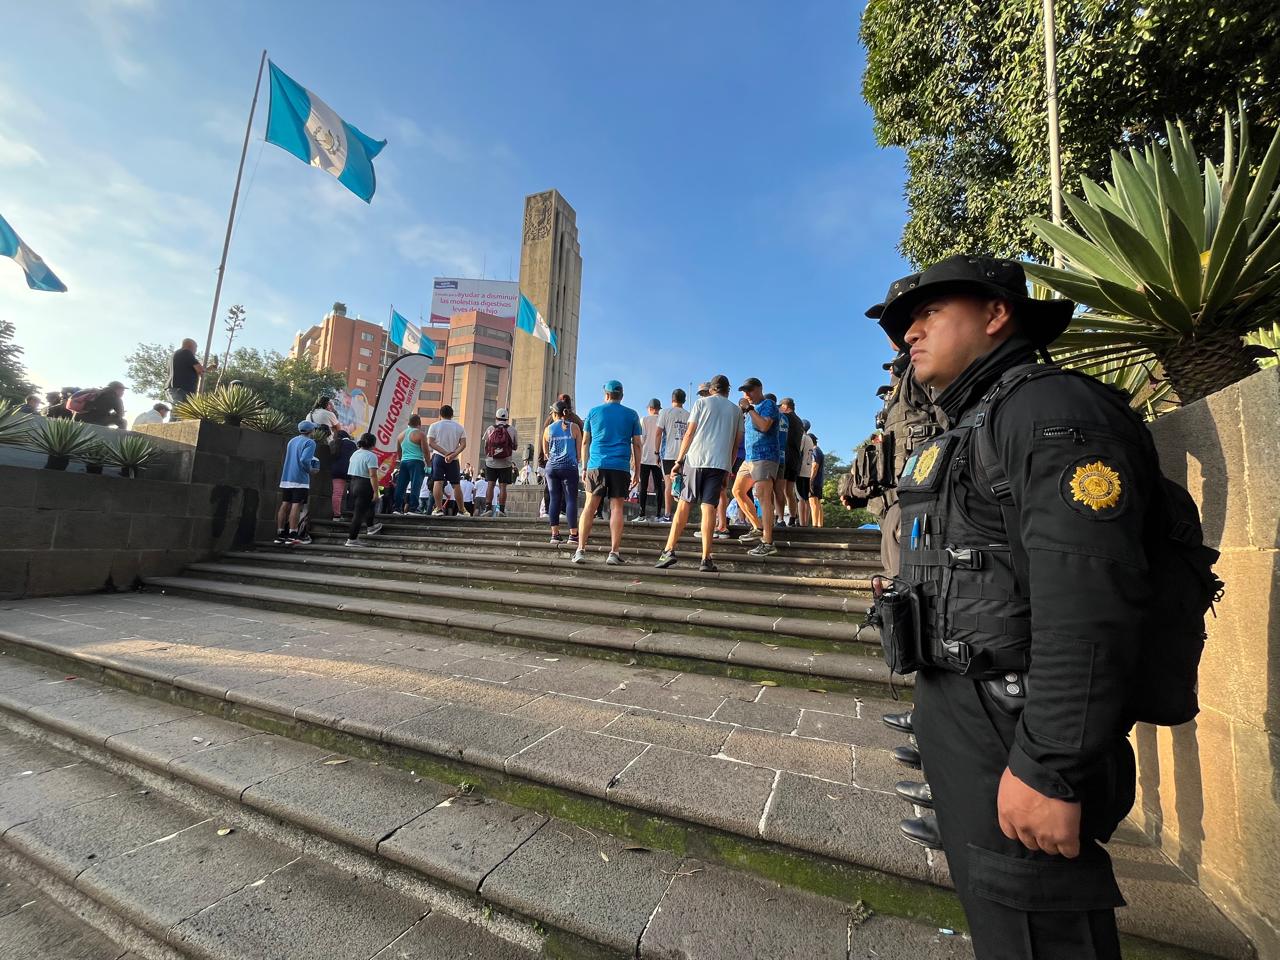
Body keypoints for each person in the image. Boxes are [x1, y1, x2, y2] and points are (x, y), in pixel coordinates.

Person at [874, 254, 1154, 960]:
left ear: (997, 315)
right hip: (970, 711)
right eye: (906, 322)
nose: (909, 333)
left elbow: (1088, 600)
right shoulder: (975, 421)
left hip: (1018, 723)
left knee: (1038, 930)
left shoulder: (1049, 410)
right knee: (1001, 921)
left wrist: (1049, 766)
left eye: (929, 312)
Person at [654, 374, 741, 572]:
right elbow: (735, 445)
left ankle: (669, 550)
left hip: (695, 460)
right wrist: (728, 468)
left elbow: (689, 433)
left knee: (684, 505)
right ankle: (706, 559)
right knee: (708, 508)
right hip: (719, 464)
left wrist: (678, 461)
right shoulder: (736, 411)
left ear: (712, 389)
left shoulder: (701, 404)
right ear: (728, 390)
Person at [573, 380, 642, 565]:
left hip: (597, 465)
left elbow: (585, 441)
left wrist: (584, 467)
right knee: (617, 508)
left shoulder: (593, 412)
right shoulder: (632, 414)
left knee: (590, 506)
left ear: (606, 395)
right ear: (622, 395)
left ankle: (580, 549)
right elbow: (637, 444)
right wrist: (637, 470)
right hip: (620, 466)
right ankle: (614, 552)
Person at [731, 378, 781, 557]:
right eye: (744, 392)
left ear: (759, 389)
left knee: (763, 496)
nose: (747, 395)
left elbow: (764, 426)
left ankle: (768, 542)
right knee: (737, 491)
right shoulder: (748, 411)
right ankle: (758, 527)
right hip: (750, 458)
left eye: (750, 390)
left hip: (765, 456)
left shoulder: (768, 404)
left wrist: (750, 409)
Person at [274, 421, 321, 545]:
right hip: (300, 479)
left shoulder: (292, 441)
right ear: (311, 431)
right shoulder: (310, 442)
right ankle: (293, 534)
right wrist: (310, 470)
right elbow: (305, 459)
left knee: (285, 504)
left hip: (286, 477)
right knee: (297, 505)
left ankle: (280, 534)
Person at [543, 399, 582, 545]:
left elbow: (546, 453)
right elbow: (579, 453)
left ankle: (555, 534)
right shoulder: (575, 427)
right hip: (569, 466)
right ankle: (573, 535)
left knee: (554, 499)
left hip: (552, 467)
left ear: (554, 413)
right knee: (571, 499)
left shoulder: (548, 430)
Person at [343, 432, 384, 546]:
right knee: (359, 513)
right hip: (365, 484)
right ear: (373, 444)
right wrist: (376, 492)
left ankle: (371, 526)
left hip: (353, 483)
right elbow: (373, 475)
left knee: (369, 505)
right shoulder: (371, 456)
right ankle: (352, 539)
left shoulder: (355, 453)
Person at [427, 404, 467, 515]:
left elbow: (430, 442)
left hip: (439, 457)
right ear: (452, 414)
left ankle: (439, 509)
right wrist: (453, 454)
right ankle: (461, 510)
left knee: (438, 482)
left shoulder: (434, 426)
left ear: (440, 414)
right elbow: (463, 444)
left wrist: (445, 453)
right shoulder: (459, 427)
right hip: (453, 459)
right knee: (456, 484)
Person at [656, 388, 690, 521]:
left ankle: (668, 514)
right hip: (684, 455)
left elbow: (658, 433)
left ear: (672, 399)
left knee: (669, 484)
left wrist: (656, 451)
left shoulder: (665, 412)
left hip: (668, 454)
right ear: (684, 400)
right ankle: (681, 515)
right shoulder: (689, 415)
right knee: (682, 485)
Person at [478, 409, 517, 517]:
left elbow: (486, 446)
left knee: (490, 485)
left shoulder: (490, 429)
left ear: (496, 418)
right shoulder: (512, 430)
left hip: (491, 462)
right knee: (503, 487)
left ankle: (488, 509)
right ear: (507, 418)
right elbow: (515, 446)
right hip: (506, 462)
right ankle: (502, 510)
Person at [777, 398, 805, 525]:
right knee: (789, 491)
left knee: (780, 489)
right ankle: (793, 518)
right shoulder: (799, 421)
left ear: (785, 406)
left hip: (784, 456)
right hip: (795, 459)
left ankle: (780, 518)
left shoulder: (784, 417)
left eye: (780, 406)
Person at [392, 414, 428, 515]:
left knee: (401, 486)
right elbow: (426, 451)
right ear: (419, 424)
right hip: (416, 462)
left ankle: (397, 508)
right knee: (415, 485)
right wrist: (429, 465)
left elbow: (399, 452)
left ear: (408, 423)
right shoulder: (420, 434)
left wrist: (403, 459)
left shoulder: (400, 435)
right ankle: (413, 509)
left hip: (404, 462)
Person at [635, 398, 663, 522]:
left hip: (645, 457)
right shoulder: (662, 420)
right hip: (658, 458)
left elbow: (642, 439)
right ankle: (658, 514)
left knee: (644, 486)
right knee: (659, 487)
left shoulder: (644, 420)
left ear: (650, 408)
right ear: (659, 409)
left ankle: (642, 514)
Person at [168, 339, 204, 412]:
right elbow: (200, 370)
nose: (196, 350)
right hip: (181, 389)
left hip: (174, 388)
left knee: (180, 412)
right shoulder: (186, 352)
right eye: (195, 347)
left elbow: (195, 369)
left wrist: (208, 369)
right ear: (190, 346)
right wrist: (203, 370)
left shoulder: (175, 355)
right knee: (180, 413)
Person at [329, 428, 357, 518]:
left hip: (333, 471)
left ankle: (336, 513)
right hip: (346, 472)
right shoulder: (352, 444)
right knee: (343, 493)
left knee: (336, 493)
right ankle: (341, 513)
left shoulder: (333, 443)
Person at [796, 418, 815, 525]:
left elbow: (799, 452)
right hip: (808, 471)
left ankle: (802, 522)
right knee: (806, 498)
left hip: (800, 471)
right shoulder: (810, 439)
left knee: (800, 498)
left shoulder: (802, 438)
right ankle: (806, 522)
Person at [807, 427, 825, 528]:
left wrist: (810, 479)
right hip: (819, 481)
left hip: (814, 481)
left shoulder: (814, 451)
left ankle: (815, 525)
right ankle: (819, 524)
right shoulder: (820, 451)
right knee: (818, 503)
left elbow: (814, 465)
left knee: (813, 503)